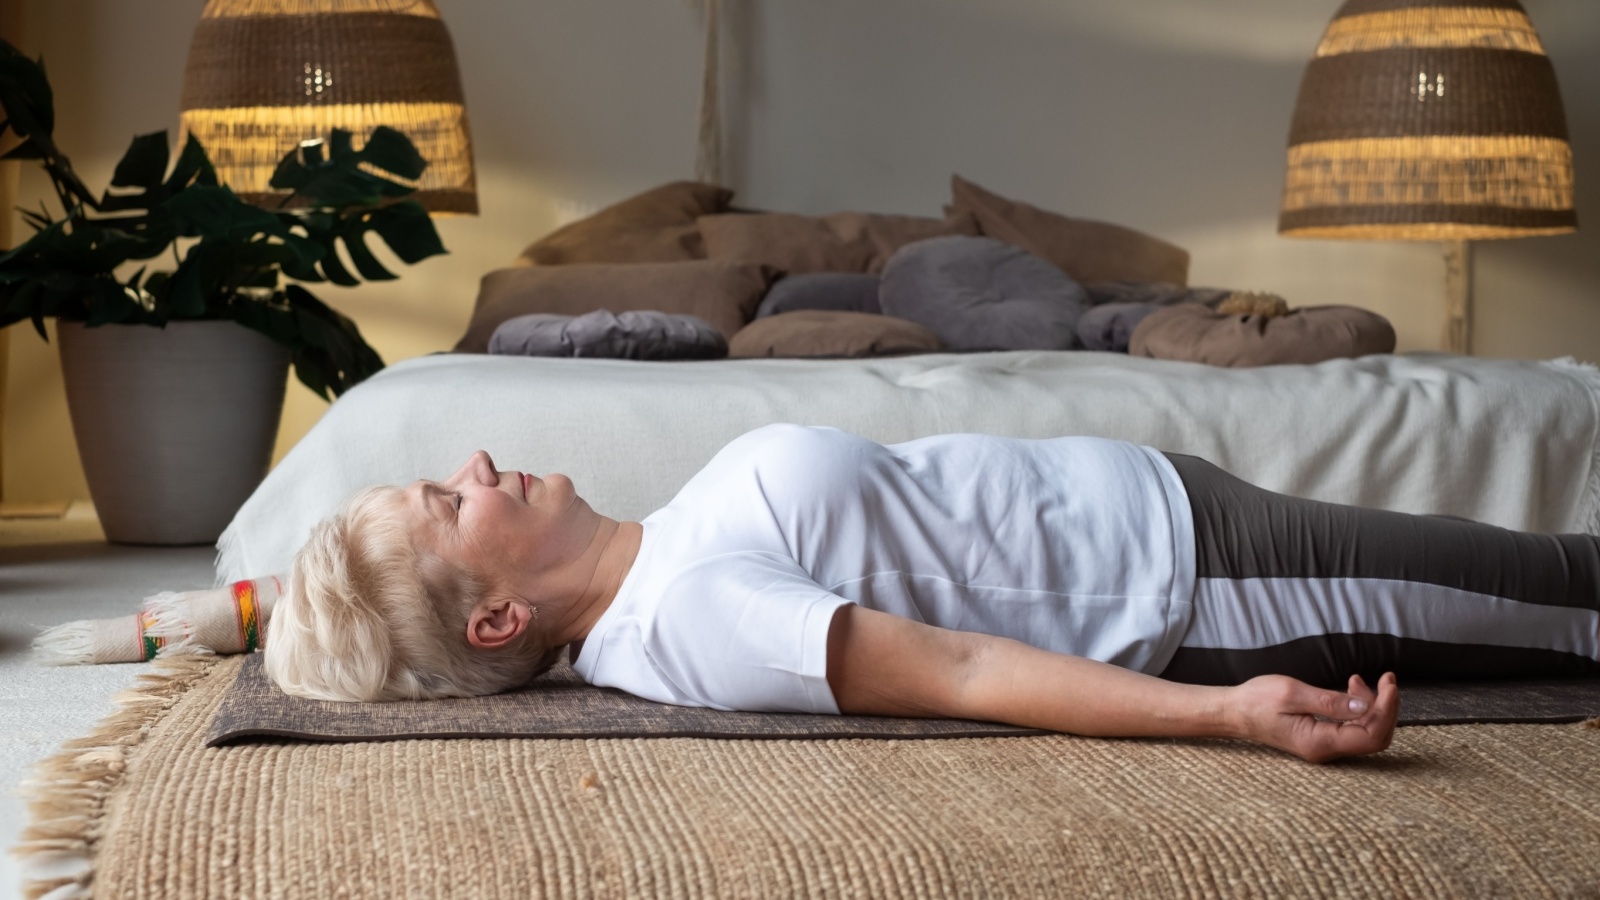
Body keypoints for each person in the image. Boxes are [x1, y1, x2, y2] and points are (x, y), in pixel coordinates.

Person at [264, 425, 1600, 764]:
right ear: (496, 617)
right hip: (1207, 587)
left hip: (1173, 513)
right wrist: (1234, 715)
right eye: (452, 505)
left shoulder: (650, 562)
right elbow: (959, 673)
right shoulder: (691, 622)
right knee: (1569, 597)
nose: (476, 465)